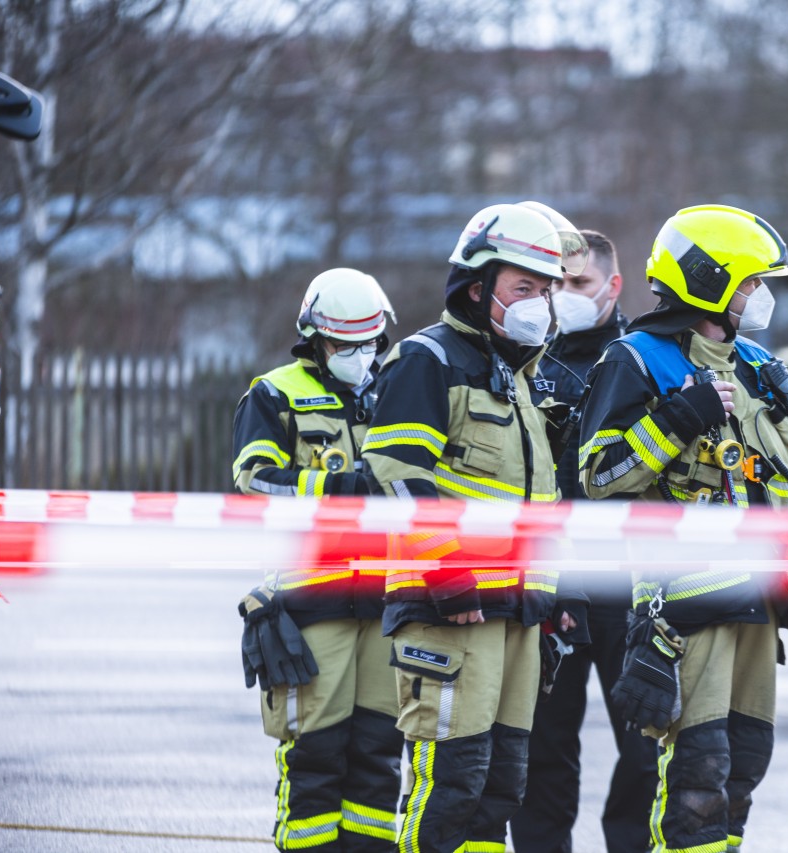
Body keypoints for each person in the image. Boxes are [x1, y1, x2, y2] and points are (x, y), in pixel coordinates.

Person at [577, 204, 788, 853]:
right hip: (681, 614)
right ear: (710, 280)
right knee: (693, 782)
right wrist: (680, 418)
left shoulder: (763, 368)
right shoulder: (637, 360)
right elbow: (598, 475)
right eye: (752, 281)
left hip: (760, 605)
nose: (760, 295)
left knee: (740, 772)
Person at [360, 202, 588, 853]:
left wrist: (555, 595)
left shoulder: (522, 382)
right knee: (449, 785)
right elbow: (398, 472)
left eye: (547, 291)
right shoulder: (427, 360)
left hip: (517, 615)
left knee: (500, 790)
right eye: (524, 288)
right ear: (477, 284)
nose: (539, 304)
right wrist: (447, 570)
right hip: (449, 609)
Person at [232, 267, 404, 852]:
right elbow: (254, 481)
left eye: (368, 342)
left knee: (379, 761)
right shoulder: (274, 392)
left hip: (387, 601)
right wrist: (337, 490)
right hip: (313, 602)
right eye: (343, 345)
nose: (359, 355)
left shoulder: (399, 389)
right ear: (315, 338)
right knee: (315, 760)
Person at [511, 230, 659, 853]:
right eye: (558, 285)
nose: (566, 297)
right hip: (551, 583)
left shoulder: (644, 360)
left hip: (630, 586)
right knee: (542, 750)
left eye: (580, 285)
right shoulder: (523, 361)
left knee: (647, 748)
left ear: (613, 286)